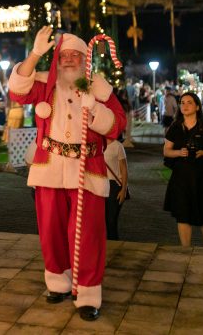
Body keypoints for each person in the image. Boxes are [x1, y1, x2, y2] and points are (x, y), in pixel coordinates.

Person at [9, 26, 126, 321]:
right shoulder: (45, 83)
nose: (70, 59)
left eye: (76, 54)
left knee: (87, 234)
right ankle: (59, 282)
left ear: (85, 58)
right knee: (50, 228)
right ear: (57, 59)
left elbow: (118, 125)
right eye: (65, 55)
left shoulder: (98, 87)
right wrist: (35, 54)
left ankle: (87, 293)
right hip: (50, 165)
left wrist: (96, 111)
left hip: (87, 168)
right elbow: (17, 90)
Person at [163, 91, 203, 247]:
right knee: (183, 215)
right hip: (182, 177)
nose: (185, 106)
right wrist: (179, 152)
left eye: (189, 103)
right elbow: (166, 150)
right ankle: (185, 250)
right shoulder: (175, 126)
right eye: (182, 103)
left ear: (197, 106)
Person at [104, 140, 129, 240]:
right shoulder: (95, 143)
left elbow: (124, 169)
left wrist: (124, 189)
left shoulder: (118, 146)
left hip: (114, 186)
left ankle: (114, 245)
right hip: (99, 184)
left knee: (111, 221)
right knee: (100, 221)